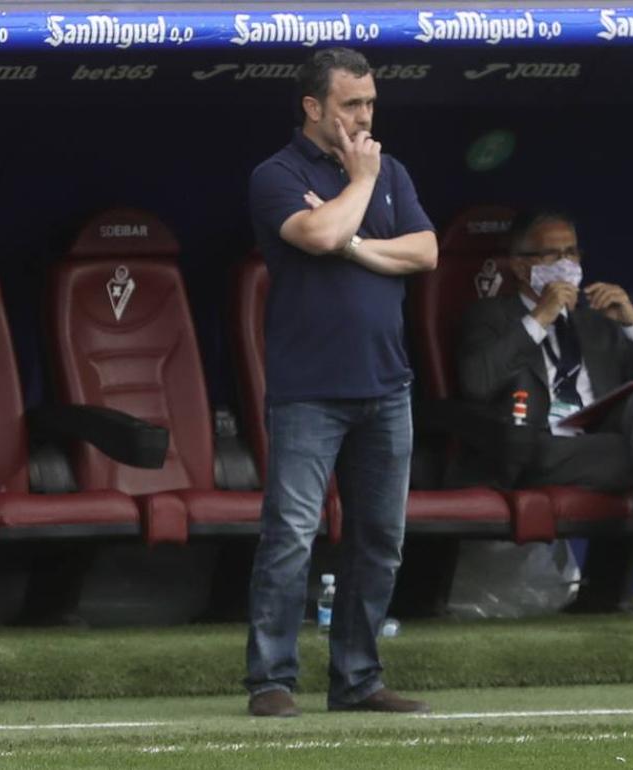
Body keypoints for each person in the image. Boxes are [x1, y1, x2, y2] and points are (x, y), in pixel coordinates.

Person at [244, 47, 438, 717]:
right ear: (313, 107)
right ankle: (271, 680)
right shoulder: (277, 174)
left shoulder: (394, 172)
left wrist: (356, 241)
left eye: (370, 104)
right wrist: (357, 184)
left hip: (387, 386)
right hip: (309, 389)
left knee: (380, 538)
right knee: (292, 534)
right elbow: (318, 234)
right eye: (351, 104)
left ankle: (357, 681)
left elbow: (425, 250)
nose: (364, 116)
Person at [456, 211, 633, 649]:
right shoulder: (490, 316)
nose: (566, 262)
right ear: (520, 265)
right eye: (552, 253)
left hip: (597, 441)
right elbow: (476, 382)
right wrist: (539, 320)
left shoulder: (595, 322)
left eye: (572, 252)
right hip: (535, 447)